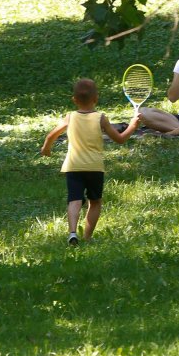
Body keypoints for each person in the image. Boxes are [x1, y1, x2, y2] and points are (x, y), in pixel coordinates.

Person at [40, 78, 141, 246]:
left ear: (74, 100)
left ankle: (72, 232)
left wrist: (46, 149)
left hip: (73, 166)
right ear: (96, 98)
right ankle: (87, 236)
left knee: (74, 200)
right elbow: (120, 139)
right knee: (95, 202)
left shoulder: (70, 117)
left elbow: (51, 135)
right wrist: (133, 125)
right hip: (94, 168)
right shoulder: (100, 118)